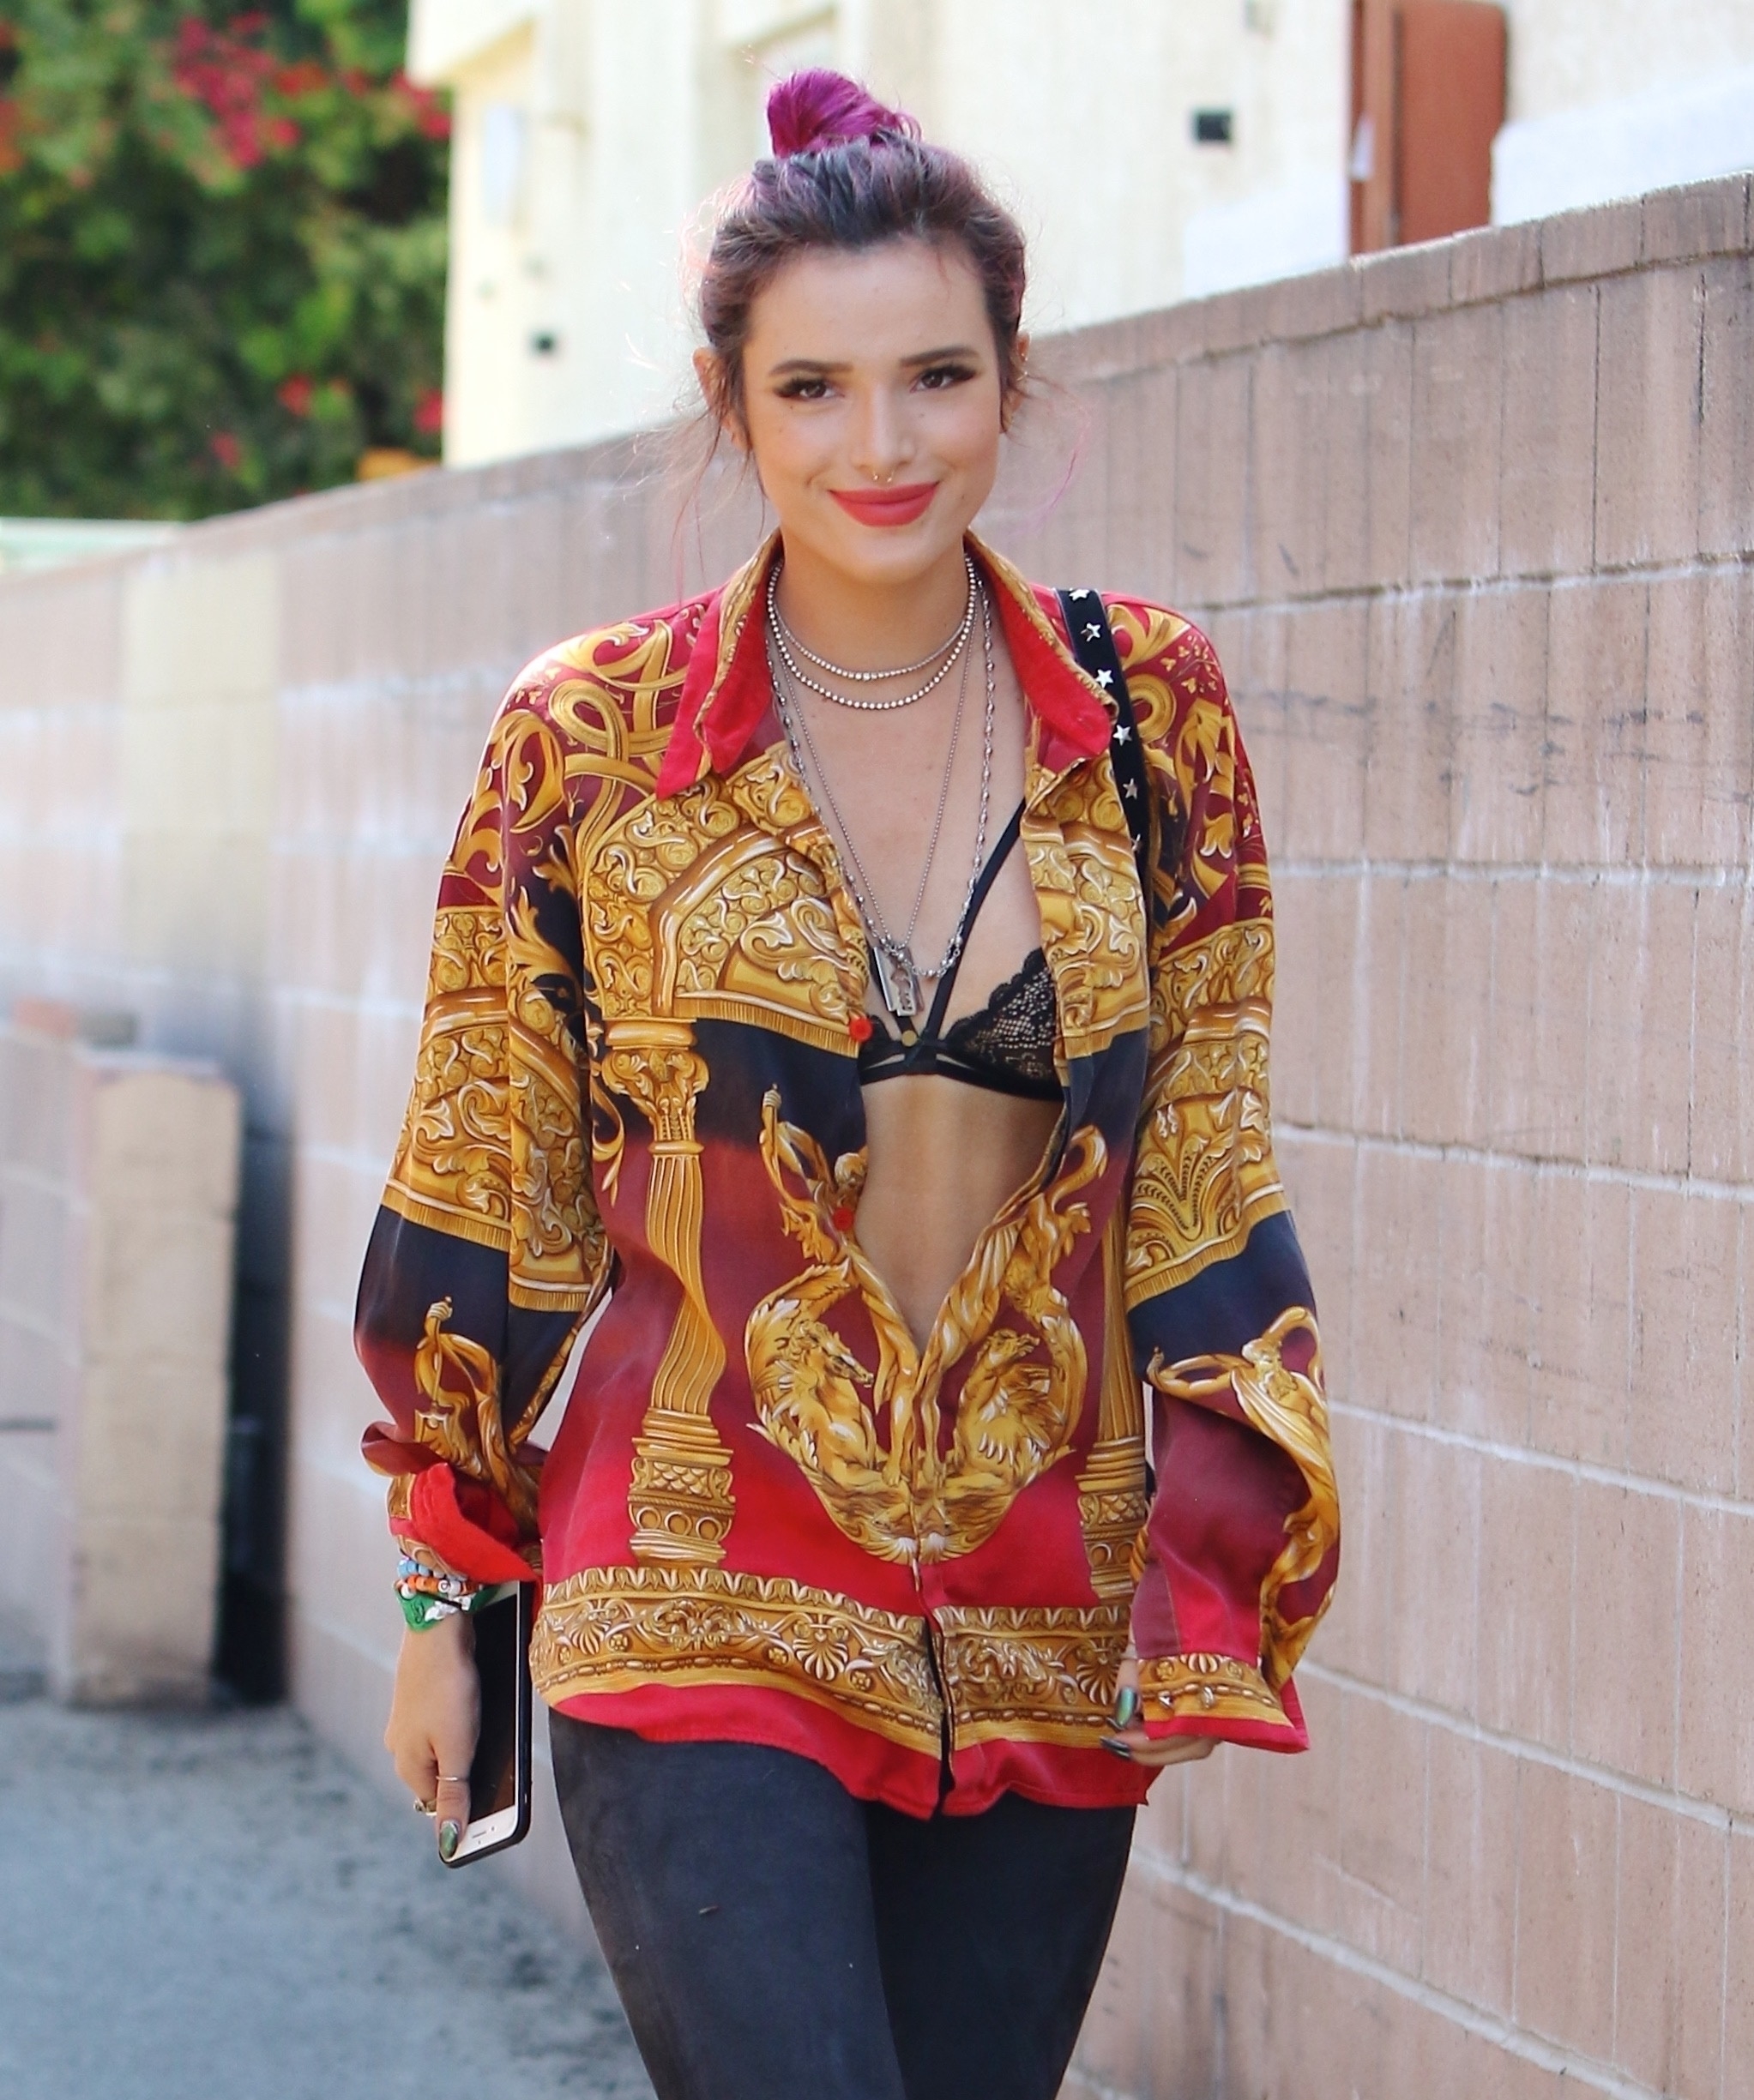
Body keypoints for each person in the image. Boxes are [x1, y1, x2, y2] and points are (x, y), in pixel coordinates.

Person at [359, 68, 1339, 2100]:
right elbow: (490, 1181)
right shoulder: (591, 740)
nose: (879, 446)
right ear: (731, 403)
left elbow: (1203, 1166)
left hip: (1047, 1620)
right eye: (812, 388)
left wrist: (1212, 1570)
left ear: (1010, 382)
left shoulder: (1152, 715)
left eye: (934, 379)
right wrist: (447, 1590)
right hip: (686, 1593)